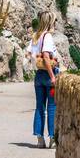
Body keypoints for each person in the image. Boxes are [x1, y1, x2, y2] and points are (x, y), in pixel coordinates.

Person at [28, 11, 59, 149]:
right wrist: (53, 75)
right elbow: (46, 56)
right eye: (54, 21)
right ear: (50, 22)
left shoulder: (35, 36)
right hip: (48, 75)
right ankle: (52, 138)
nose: (55, 24)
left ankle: (40, 138)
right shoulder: (47, 37)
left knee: (39, 106)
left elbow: (30, 54)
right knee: (52, 107)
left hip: (39, 75)